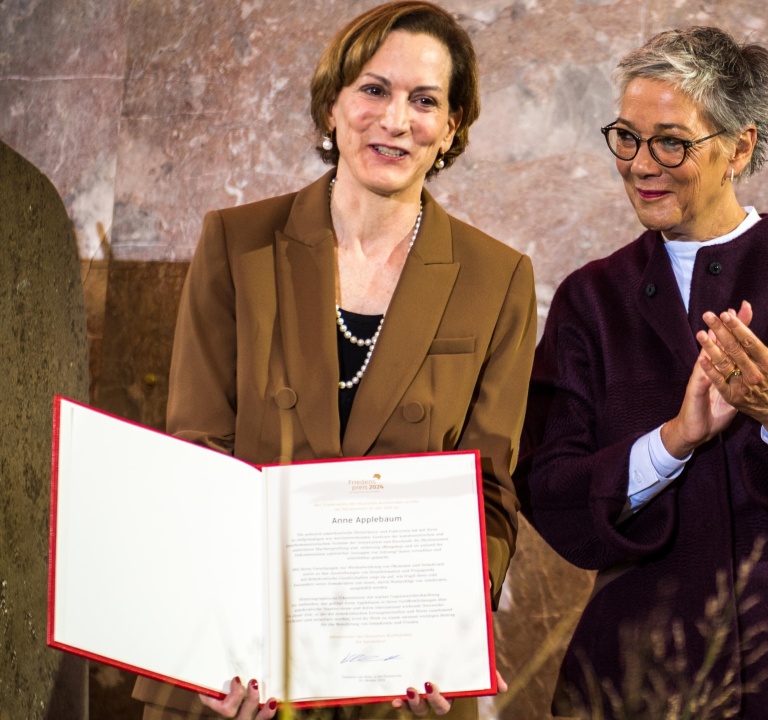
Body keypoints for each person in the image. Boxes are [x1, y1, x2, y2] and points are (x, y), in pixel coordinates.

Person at [517, 26, 768, 720]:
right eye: (626, 136)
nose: (640, 164)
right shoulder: (590, 299)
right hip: (634, 665)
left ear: (740, 146)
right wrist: (671, 442)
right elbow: (549, 486)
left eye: (671, 142)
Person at [132, 3, 536, 719]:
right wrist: (215, 655)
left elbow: (492, 495)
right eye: (373, 90)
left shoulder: (496, 276)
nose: (396, 119)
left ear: (451, 128)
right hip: (236, 673)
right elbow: (197, 454)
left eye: (425, 100)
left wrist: (449, 635)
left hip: (403, 688)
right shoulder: (237, 242)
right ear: (332, 106)